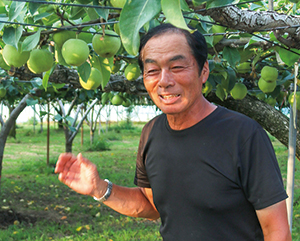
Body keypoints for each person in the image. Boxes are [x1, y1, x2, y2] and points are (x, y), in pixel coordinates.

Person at [55, 24, 292, 240]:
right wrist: (99, 188)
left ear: (204, 71)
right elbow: (152, 206)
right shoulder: (151, 133)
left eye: (177, 67)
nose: (164, 81)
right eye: (152, 70)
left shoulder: (243, 135)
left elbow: (277, 230)